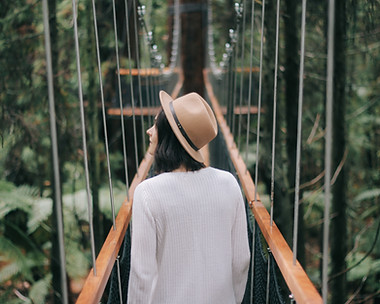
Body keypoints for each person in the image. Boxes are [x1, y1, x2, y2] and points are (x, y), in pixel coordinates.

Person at [127, 90, 250, 304]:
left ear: (167, 135)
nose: (149, 131)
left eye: (155, 125)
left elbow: (142, 275)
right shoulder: (229, 183)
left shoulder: (147, 193)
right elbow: (241, 261)